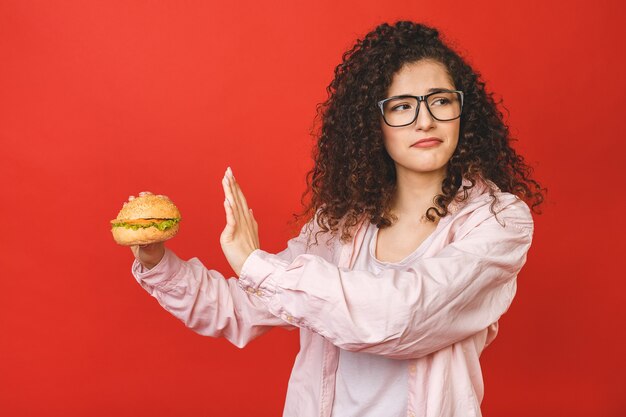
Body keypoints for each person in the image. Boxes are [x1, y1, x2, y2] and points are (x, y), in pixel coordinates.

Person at [128, 21, 544, 417]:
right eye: (401, 106)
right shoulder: (342, 221)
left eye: (441, 100)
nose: (425, 120)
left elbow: (401, 317)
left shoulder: (498, 221)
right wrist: (157, 262)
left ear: (462, 109)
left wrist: (256, 265)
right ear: (373, 124)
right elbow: (246, 309)